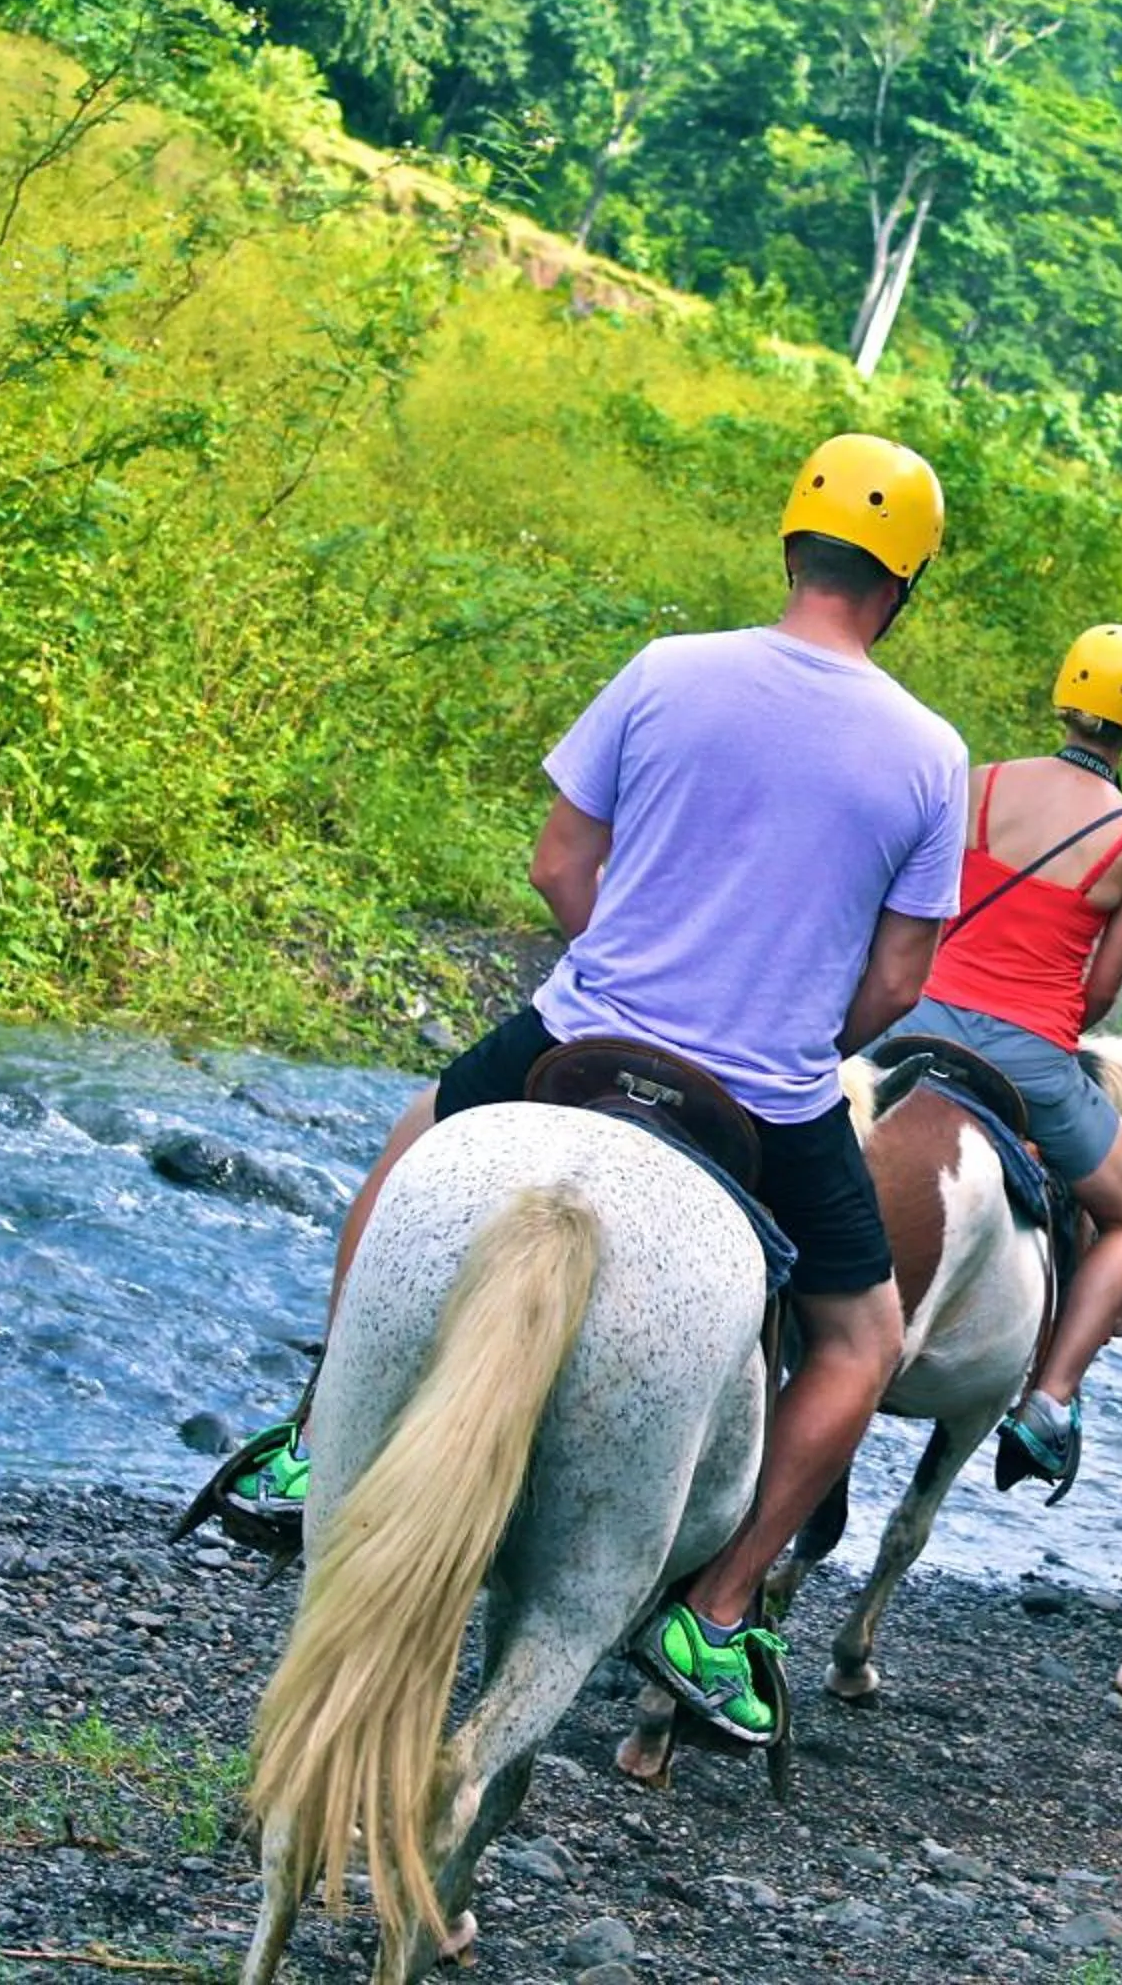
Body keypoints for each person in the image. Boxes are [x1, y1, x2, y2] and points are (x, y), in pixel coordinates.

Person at [225, 432, 967, 1747]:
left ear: (791, 544)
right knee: (864, 1342)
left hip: (584, 1028)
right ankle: (720, 1611)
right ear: (902, 583)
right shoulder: (928, 753)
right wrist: (790, 1027)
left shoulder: (667, 671)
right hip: (771, 1096)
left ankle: (309, 1438)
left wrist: (623, 967)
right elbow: (901, 984)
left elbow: (559, 864)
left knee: (413, 1152)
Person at [876, 624, 1122, 1494]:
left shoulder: (979, 784)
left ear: (1065, 692)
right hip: (1032, 1058)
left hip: (912, 1021)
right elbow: (1102, 995)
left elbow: (918, 902)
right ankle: (1049, 1398)